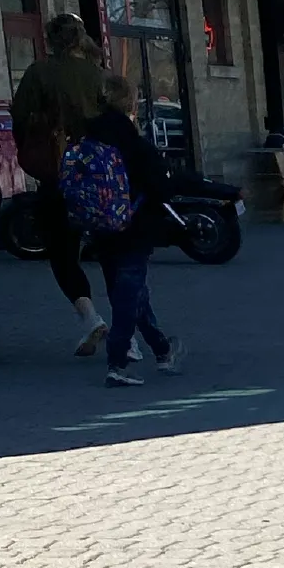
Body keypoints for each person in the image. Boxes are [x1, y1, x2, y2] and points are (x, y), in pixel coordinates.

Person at [69, 76, 184, 387]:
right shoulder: (134, 143)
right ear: (130, 104)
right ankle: (117, 362)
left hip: (100, 228)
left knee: (132, 293)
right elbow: (162, 187)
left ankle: (162, 349)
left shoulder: (86, 139)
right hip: (135, 227)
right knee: (128, 296)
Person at [12, 14, 107, 354]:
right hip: (99, 177)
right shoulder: (98, 75)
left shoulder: (40, 73)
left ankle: (91, 316)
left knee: (63, 254)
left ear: (51, 40)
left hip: (57, 175)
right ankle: (133, 331)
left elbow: (20, 117)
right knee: (114, 254)